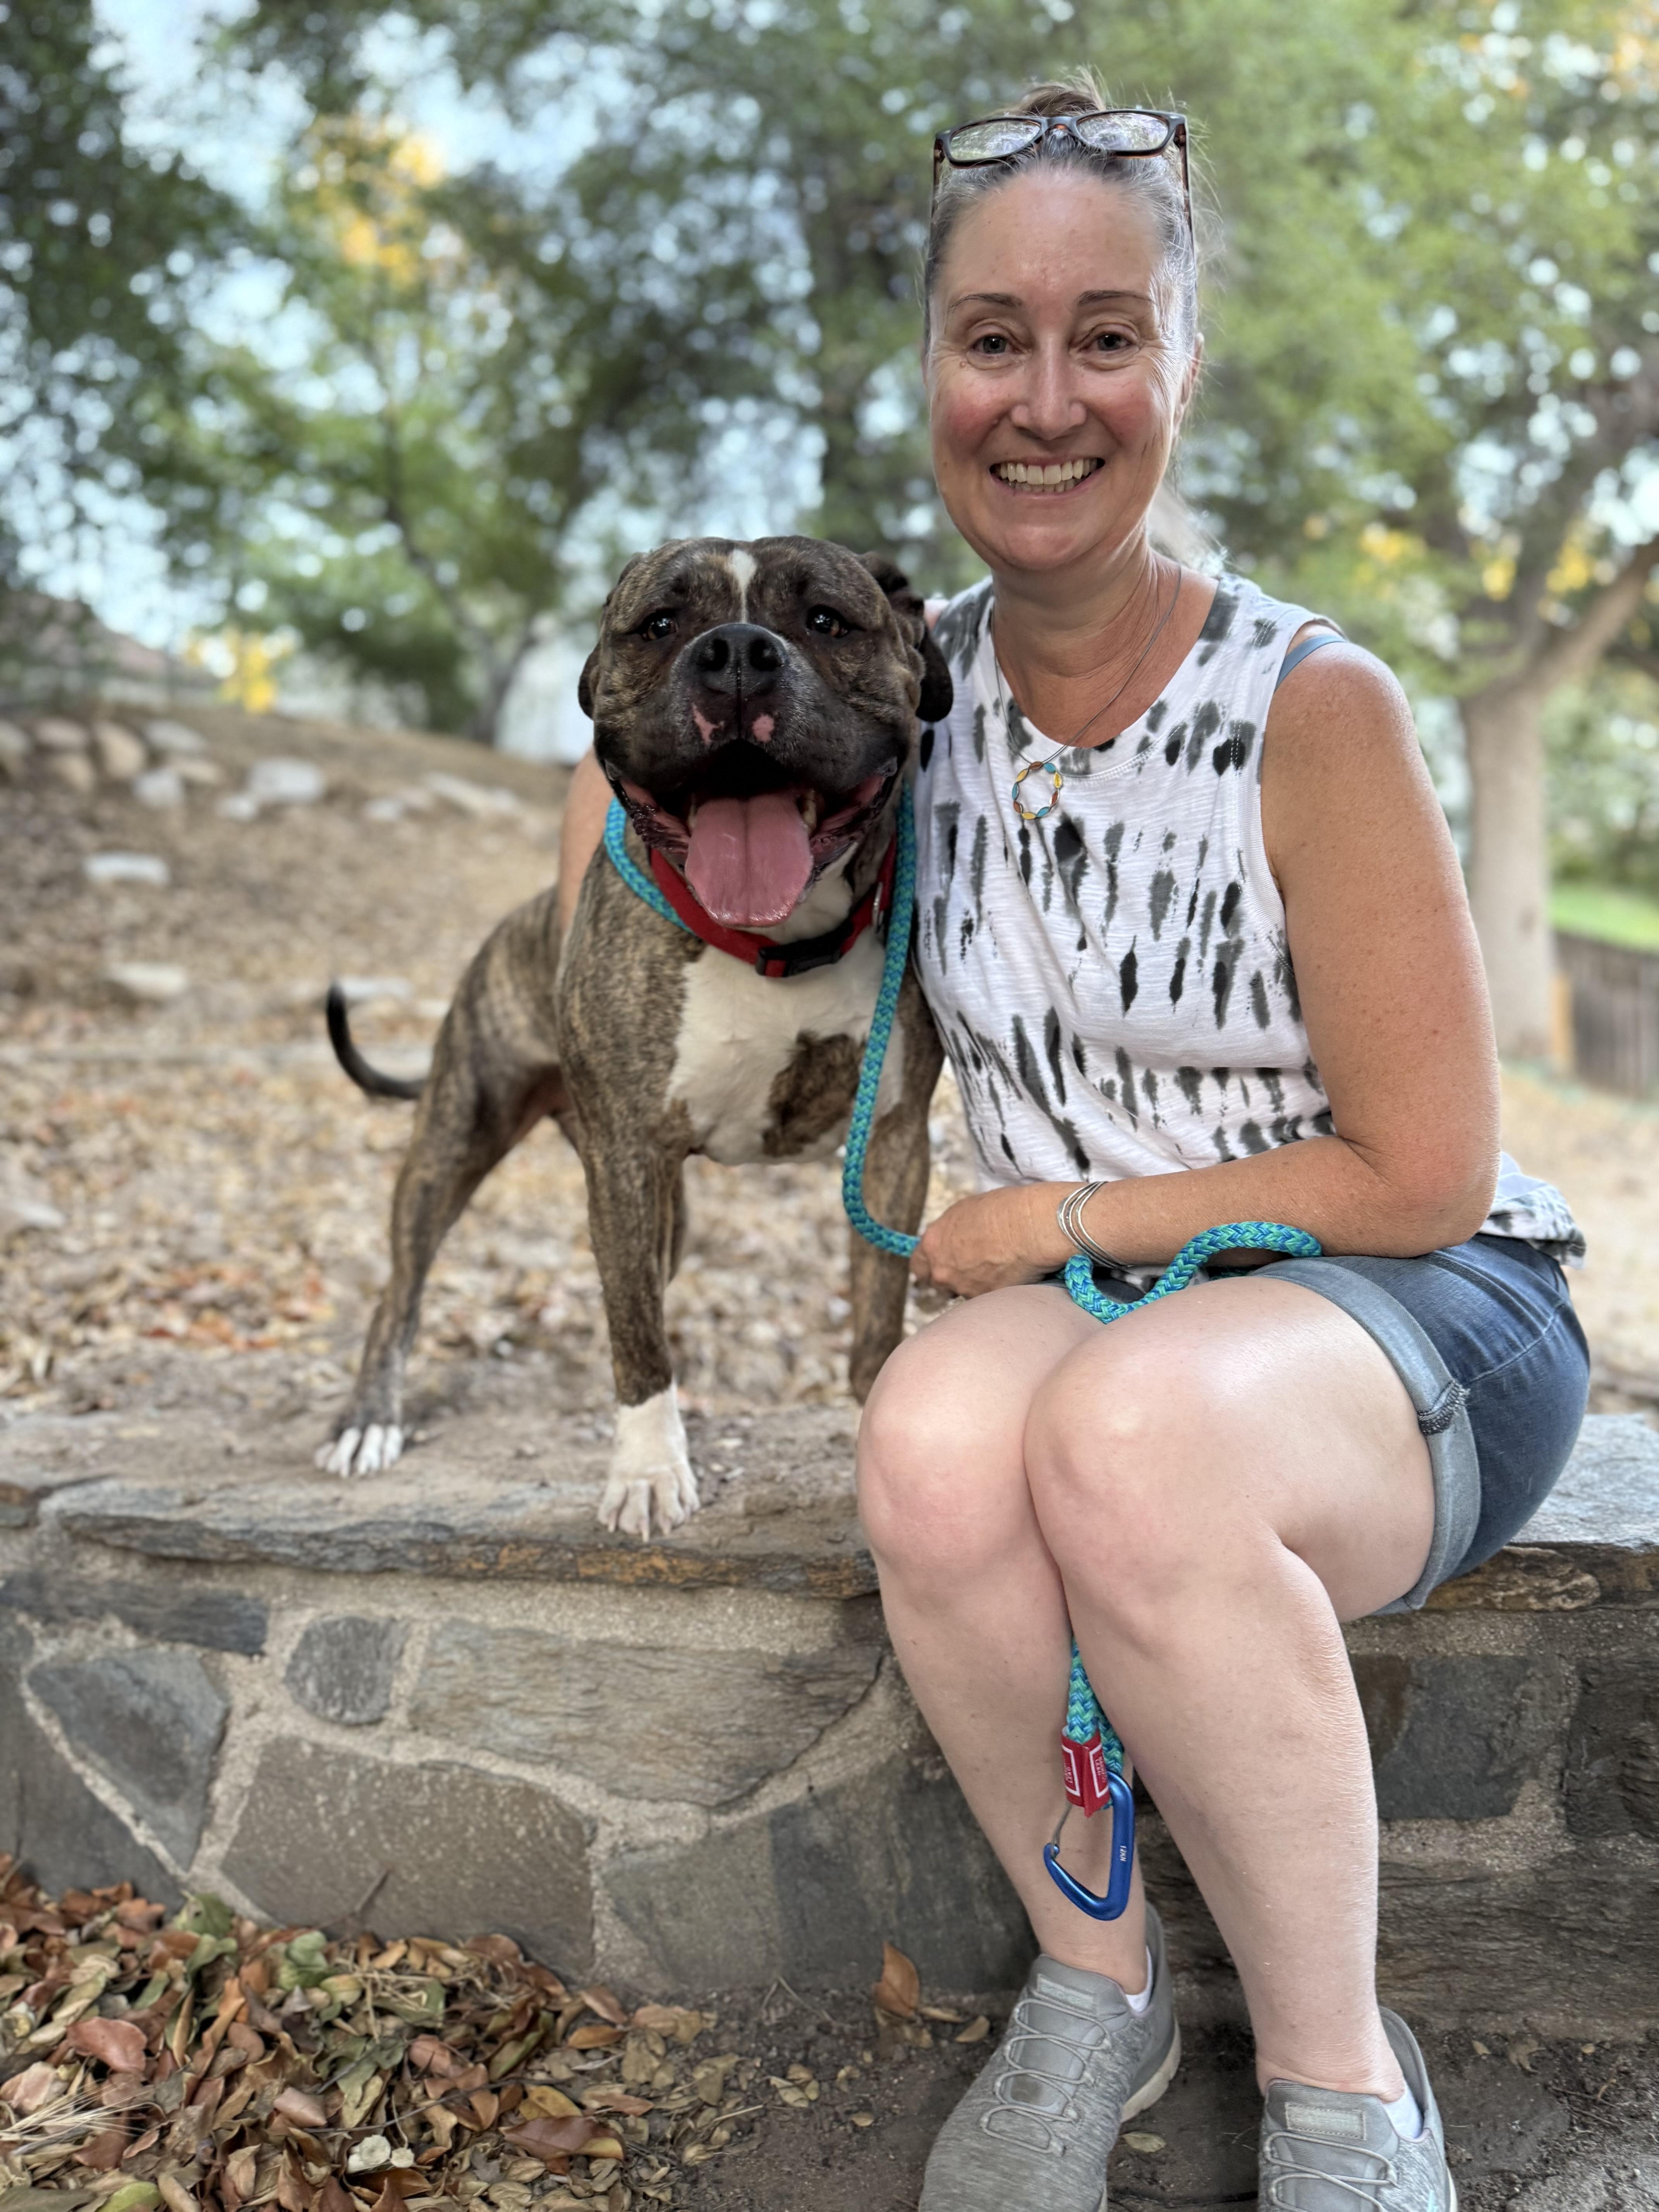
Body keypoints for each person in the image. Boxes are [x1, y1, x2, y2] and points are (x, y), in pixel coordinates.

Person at [557, 72, 1589, 2211]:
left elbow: (1421, 1168)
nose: (1046, 397)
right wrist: (649, 871)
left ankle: (1340, 2095)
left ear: (1177, 371)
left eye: (1104, 336)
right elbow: (625, 785)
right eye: (993, 339)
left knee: (1126, 1438)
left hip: (1409, 1305)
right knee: (932, 1441)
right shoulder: (880, 679)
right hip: (1095, 1308)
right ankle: (1092, 1983)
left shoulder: (1318, 708)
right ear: (932, 373)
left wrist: (1053, 1216)